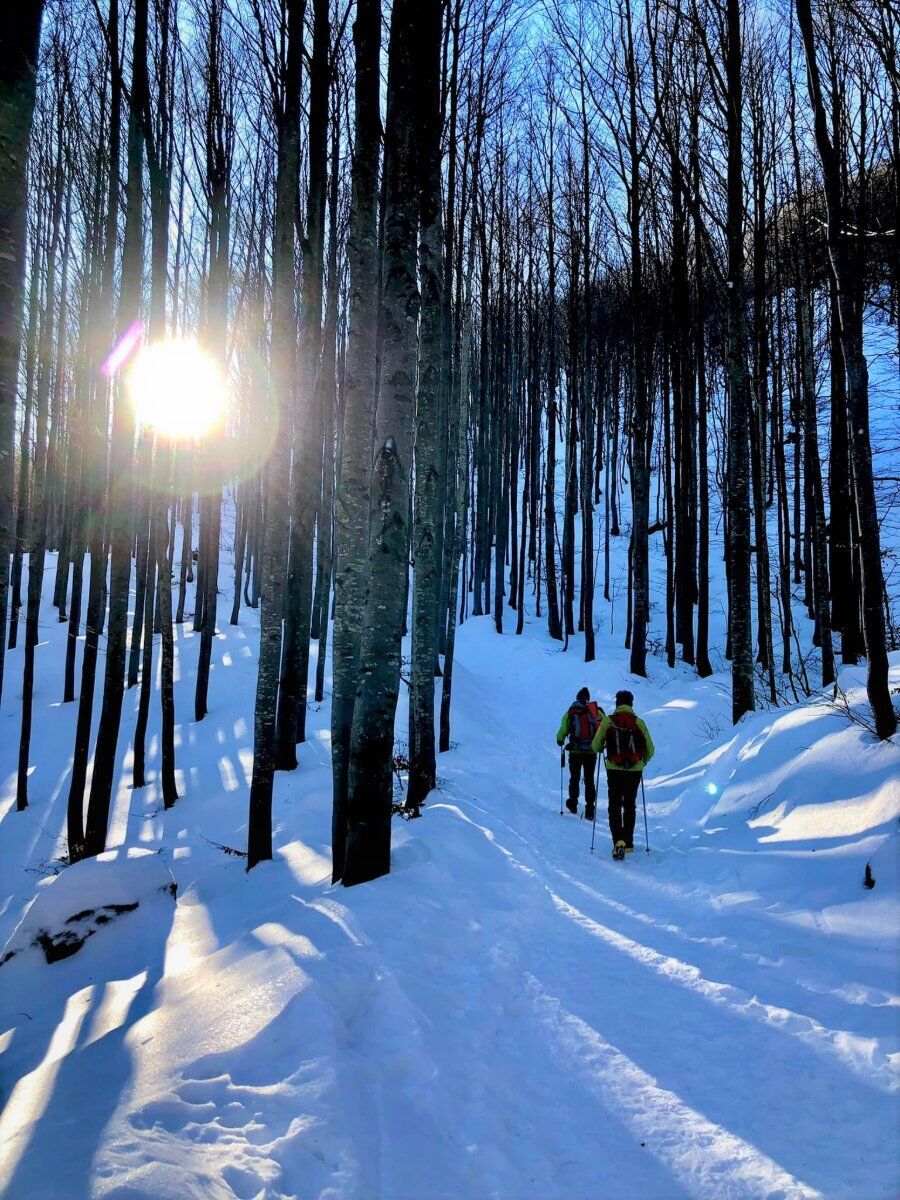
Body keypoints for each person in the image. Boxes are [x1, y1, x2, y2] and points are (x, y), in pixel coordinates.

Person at [591, 690, 654, 859]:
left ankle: (617, 841)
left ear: (617, 703)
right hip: (634, 770)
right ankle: (629, 843)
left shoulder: (609, 722)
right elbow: (650, 750)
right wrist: (641, 762)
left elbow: (595, 746)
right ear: (631, 704)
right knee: (629, 805)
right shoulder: (639, 723)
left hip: (614, 769)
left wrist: (603, 749)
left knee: (614, 805)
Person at [556, 688, 603, 819]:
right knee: (589, 779)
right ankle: (590, 808)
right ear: (588, 698)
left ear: (577, 697)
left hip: (575, 750)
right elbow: (603, 726)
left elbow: (563, 728)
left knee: (574, 777)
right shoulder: (594, 711)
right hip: (591, 751)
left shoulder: (572, 711)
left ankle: (573, 803)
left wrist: (560, 739)